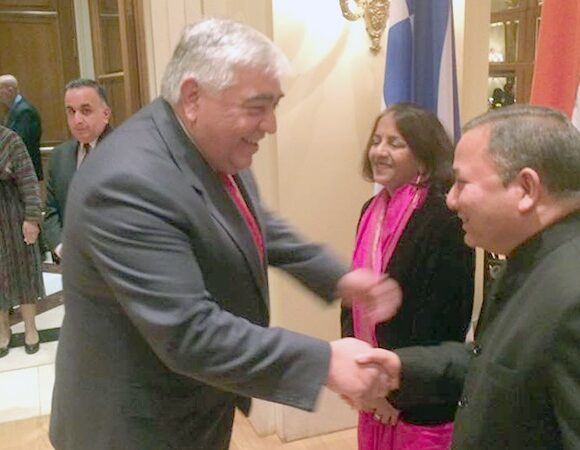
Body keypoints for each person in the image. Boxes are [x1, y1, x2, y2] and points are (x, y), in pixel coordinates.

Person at [49, 18, 400, 450]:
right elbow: (188, 333)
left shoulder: (208, 146)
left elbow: (252, 222)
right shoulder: (127, 183)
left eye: (274, 105)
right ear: (193, 97)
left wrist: (337, 277)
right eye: (257, 107)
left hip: (192, 406)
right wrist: (325, 362)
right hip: (134, 427)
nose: (271, 124)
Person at [358, 104, 580, 449]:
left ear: (526, 188)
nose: (450, 200)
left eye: (461, 183)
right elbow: (492, 361)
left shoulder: (571, 294)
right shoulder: (529, 259)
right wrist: (402, 367)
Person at [342, 103, 474, 450]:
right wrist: (359, 375)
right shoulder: (369, 211)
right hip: (373, 387)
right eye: (376, 141)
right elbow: (353, 297)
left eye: (395, 143)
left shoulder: (443, 217)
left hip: (420, 399)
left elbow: (445, 319)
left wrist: (396, 393)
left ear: (424, 157)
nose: (379, 151)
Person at [44, 78, 112, 260]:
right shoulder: (59, 156)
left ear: (106, 114)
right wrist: (60, 247)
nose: (77, 120)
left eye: (86, 110)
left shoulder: (127, 152)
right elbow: (51, 211)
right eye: (71, 111)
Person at [0, 126, 45, 357]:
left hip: (14, 217)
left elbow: (29, 182)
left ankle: (30, 328)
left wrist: (32, 219)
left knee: (24, 273)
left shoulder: (10, 140)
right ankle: (2, 331)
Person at [0, 74, 43, 181]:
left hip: (25, 172)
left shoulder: (25, 112)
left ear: (10, 90)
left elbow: (22, 142)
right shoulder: (13, 110)